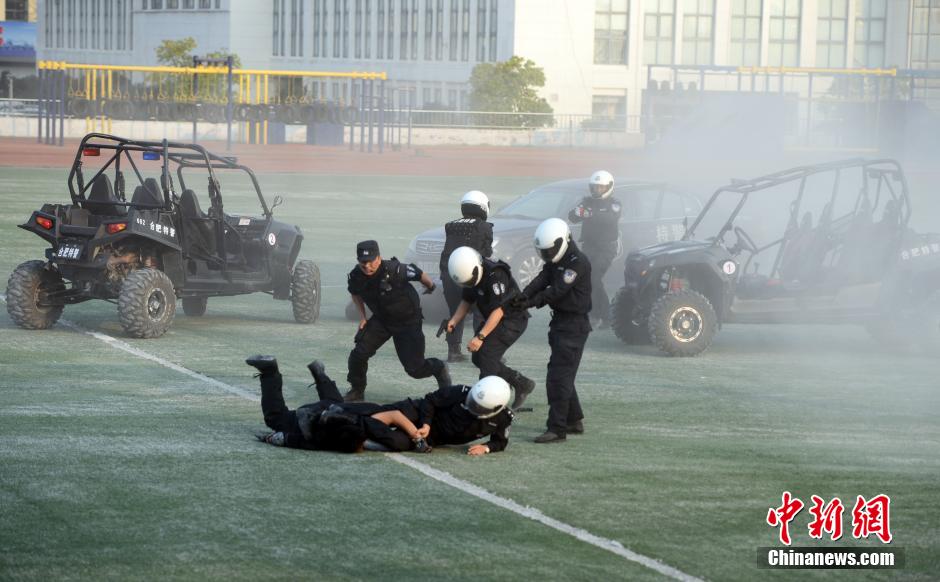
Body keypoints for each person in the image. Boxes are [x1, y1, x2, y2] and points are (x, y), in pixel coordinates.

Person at [246, 355, 432, 453]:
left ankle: (320, 375)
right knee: (276, 419)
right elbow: (311, 442)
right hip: (312, 418)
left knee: (334, 402)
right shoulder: (364, 433)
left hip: (334, 409)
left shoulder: (379, 416)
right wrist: (276, 438)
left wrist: (417, 436)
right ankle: (270, 371)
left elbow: (395, 415)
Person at [515, 219, 592, 443]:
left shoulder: (577, 263)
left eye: (550, 250)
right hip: (561, 323)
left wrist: (530, 302)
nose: (547, 254)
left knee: (558, 377)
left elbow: (557, 290)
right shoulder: (559, 260)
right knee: (563, 374)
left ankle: (557, 428)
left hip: (573, 326)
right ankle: (573, 420)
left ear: (563, 241)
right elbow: (543, 278)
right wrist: (524, 295)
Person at [346, 240, 451, 402]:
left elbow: (419, 274)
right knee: (358, 355)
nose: (367, 266)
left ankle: (439, 368)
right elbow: (355, 293)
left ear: (378, 258)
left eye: (370, 261)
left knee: (415, 369)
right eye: (363, 262)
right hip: (382, 320)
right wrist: (362, 317)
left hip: (408, 322)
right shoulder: (356, 275)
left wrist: (430, 287)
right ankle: (357, 390)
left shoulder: (395, 269)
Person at [444, 246, 535, 407]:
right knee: (478, 357)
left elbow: (498, 311)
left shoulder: (496, 275)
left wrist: (480, 337)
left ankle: (485, 402)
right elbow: (467, 300)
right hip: (495, 319)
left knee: (487, 356)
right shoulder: (469, 272)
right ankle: (521, 383)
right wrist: (454, 321)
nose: (469, 283)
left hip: (512, 320)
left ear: (476, 268)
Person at [439, 190, 494, 363]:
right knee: (480, 311)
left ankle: (453, 352)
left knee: (455, 312)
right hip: (472, 276)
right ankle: (481, 352)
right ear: (483, 207)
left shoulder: (450, 226)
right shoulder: (485, 227)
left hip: (449, 275)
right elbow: (486, 253)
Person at [568, 170, 621, 327]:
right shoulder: (587, 202)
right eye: (595, 187)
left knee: (593, 278)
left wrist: (589, 214)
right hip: (589, 246)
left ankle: (601, 315)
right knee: (588, 280)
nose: (597, 190)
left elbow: (609, 219)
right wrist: (578, 212)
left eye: (601, 187)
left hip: (606, 248)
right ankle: (601, 315)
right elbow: (573, 217)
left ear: (609, 187)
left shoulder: (614, 204)